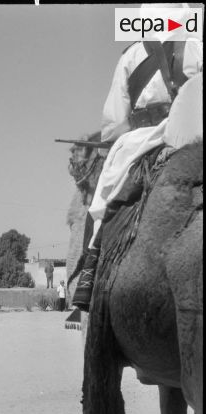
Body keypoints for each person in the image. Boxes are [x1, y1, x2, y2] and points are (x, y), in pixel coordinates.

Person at [73, 3, 203, 311]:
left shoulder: (131, 55)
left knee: (103, 201)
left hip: (142, 140)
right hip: (198, 132)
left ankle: (89, 282)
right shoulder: (200, 42)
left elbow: (115, 122)